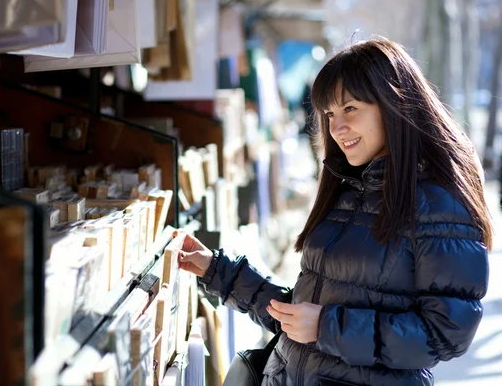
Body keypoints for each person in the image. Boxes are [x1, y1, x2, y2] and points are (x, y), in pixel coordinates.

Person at [173, 37, 492, 386]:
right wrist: (217, 271)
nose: (337, 129)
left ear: (393, 104)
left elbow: (443, 334)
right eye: (329, 114)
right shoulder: (349, 190)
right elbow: (300, 315)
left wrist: (327, 326)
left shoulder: (440, 205)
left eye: (350, 109)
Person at [300, 80, 321, 179]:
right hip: (314, 126)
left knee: (316, 151)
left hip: (313, 126)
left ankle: (319, 171)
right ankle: (319, 171)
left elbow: (303, 106)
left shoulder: (308, 88)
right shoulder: (309, 89)